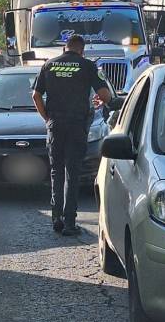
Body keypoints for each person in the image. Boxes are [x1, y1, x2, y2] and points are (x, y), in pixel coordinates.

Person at [32, 34, 111, 236]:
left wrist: (46, 118)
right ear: (81, 50)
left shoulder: (49, 65)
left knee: (56, 171)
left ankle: (56, 217)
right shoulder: (87, 66)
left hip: (55, 125)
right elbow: (105, 95)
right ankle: (69, 223)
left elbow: (36, 94)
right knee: (72, 173)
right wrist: (100, 99)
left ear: (64, 48)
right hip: (77, 125)